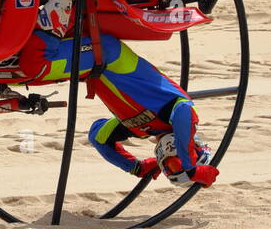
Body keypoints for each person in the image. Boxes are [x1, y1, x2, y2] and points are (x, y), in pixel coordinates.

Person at [86, 33, 217, 186]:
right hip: (100, 51)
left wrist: (136, 167)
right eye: (173, 165)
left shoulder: (142, 129)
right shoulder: (168, 116)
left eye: (170, 168)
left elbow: (97, 136)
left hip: (95, 54)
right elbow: (183, 111)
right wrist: (190, 167)